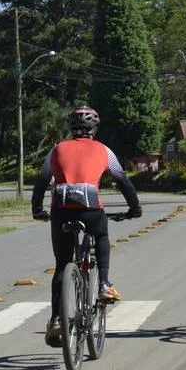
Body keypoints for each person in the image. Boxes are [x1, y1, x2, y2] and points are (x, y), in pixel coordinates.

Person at [32, 106, 142, 347]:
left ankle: (57, 320)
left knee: (62, 265)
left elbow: (41, 181)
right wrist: (135, 208)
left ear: (71, 128)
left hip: (61, 211)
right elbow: (123, 180)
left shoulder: (57, 149)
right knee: (101, 235)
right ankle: (104, 282)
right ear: (94, 128)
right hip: (91, 210)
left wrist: (37, 210)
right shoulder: (104, 150)